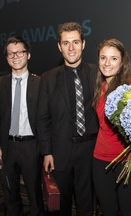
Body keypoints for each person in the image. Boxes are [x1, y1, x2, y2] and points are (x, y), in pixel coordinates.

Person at [37, 22, 99, 216]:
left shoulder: (98, 73)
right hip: (60, 151)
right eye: (66, 43)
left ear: (83, 44)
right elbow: (43, 118)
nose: (71, 48)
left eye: (75, 42)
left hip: (90, 150)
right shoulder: (47, 78)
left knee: (87, 204)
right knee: (61, 207)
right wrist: (47, 152)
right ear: (59, 46)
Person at [0, 36, 44, 216]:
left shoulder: (40, 83)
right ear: (6, 57)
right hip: (6, 148)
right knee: (10, 195)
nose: (15, 56)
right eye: (10, 53)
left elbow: (46, 120)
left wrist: (44, 150)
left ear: (28, 55)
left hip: (31, 148)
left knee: (35, 197)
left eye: (20, 52)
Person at [92, 38, 131, 216]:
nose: (107, 63)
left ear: (122, 63)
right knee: (108, 210)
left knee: (129, 211)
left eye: (113, 58)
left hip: (126, 161)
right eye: (103, 57)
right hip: (100, 160)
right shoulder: (100, 86)